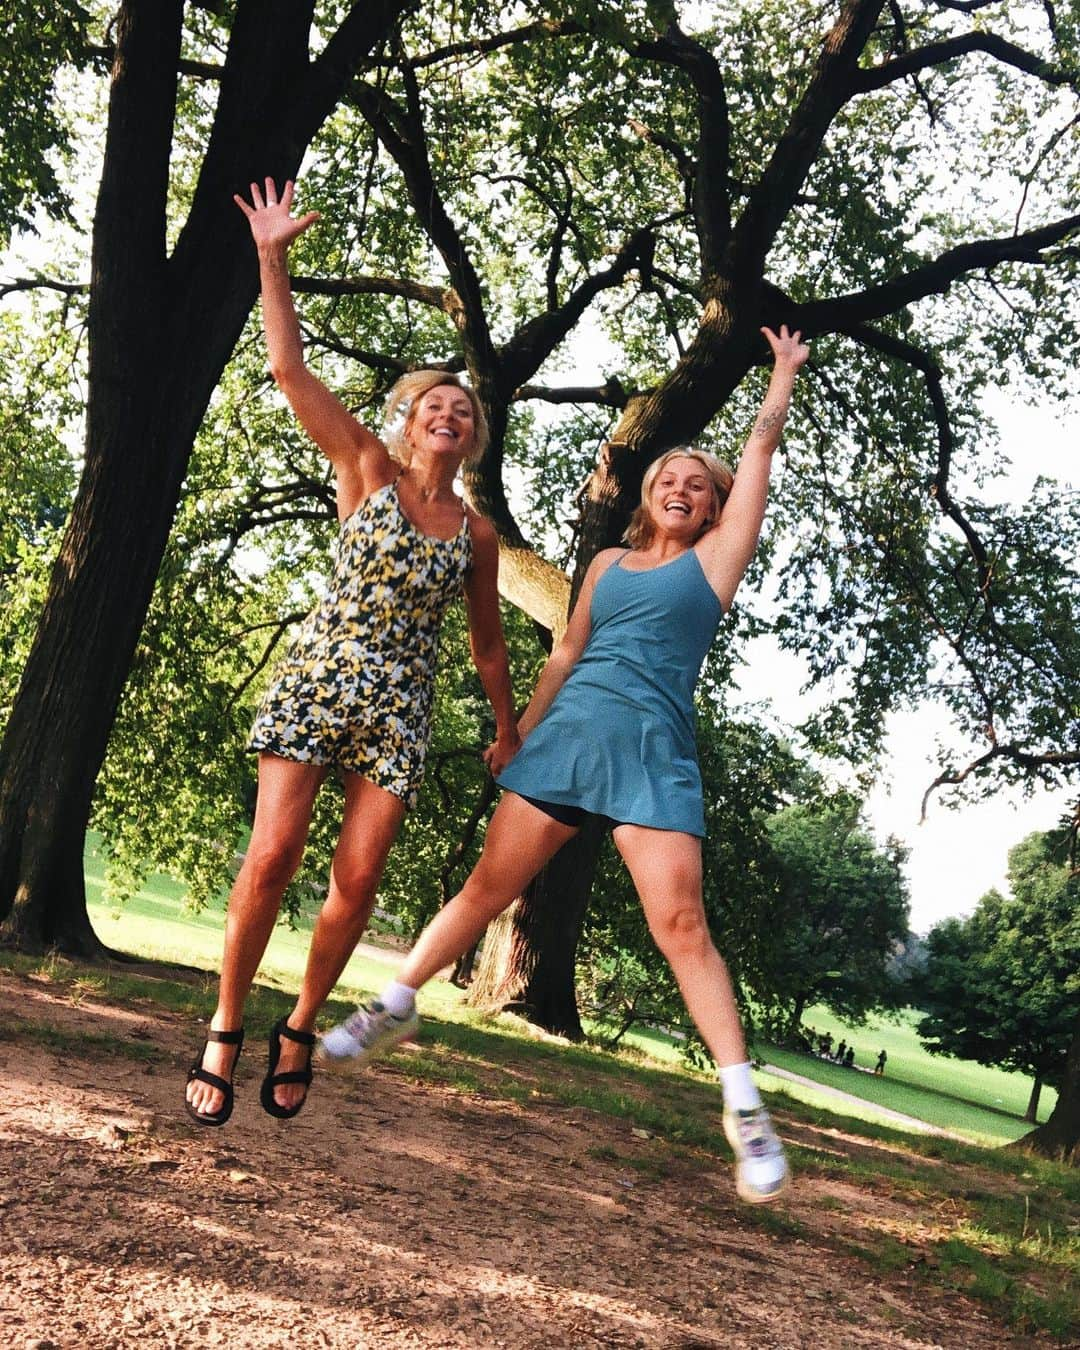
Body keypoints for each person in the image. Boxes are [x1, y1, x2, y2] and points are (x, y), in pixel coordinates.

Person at [318, 325, 810, 1204]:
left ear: (712, 508)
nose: (681, 488)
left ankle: (745, 1111)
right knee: (484, 890)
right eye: (668, 478)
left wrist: (780, 377)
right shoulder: (607, 563)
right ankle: (395, 1004)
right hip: (568, 738)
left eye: (699, 485)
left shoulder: (716, 562)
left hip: (654, 753)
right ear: (648, 495)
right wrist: (517, 734)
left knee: (682, 926)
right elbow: (563, 652)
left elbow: (760, 453)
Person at [184, 179, 519, 1126]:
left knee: (359, 877)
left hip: (402, 709)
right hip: (321, 679)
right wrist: (270, 256)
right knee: (272, 854)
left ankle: (299, 1025)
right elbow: (290, 373)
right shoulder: (366, 468)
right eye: (432, 405)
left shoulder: (477, 534)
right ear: (409, 421)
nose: (447, 415)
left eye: (462, 409)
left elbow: (487, 644)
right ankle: (223, 1024)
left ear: (471, 435)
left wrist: (505, 734)